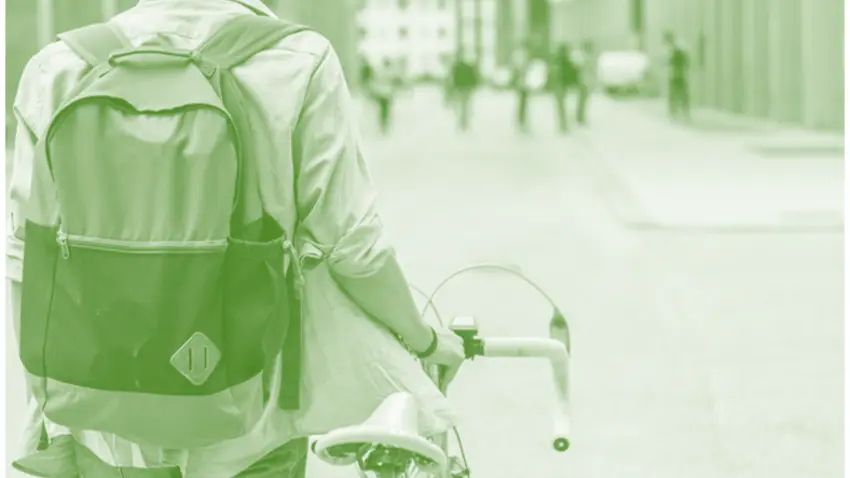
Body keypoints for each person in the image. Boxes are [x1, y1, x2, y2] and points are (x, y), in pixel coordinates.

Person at [6, 0, 465, 476]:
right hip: (250, 427)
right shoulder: (298, 60)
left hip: (101, 425)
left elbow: (24, 257)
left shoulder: (57, 65)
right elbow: (353, 247)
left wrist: (46, 405)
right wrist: (427, 341)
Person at [548, 43, 577, 133]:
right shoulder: (563, 61)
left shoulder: (558, 60)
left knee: (561, 106)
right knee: (561, 106)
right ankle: (563, 125)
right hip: (561, 86)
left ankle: (563, 125)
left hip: (560, 86)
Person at [664, 31, 691, 120]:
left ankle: (679, 112)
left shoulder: (676, 49)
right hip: (676, 75)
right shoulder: (673, 49)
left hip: (678, 75)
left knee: (679, 94)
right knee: (678, 94)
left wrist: (678, 69)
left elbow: (682, 61)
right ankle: (677, 111)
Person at [450, 52, 479, 131]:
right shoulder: (469, 67)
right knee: (466, 106)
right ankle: (465, 122)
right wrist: (473, 86)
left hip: (460, 88)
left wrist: (454, 88)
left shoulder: (457, 66)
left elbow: (454, 78)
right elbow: (474, 78)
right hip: (467, 88)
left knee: (461, 106)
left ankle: (461, 122)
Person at [370, 57, 397, 134]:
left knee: (382, 109)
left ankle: (382, 123)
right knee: (386, 110)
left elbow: (374, 81)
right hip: (387, 93)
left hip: (380, 93)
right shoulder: (389, 72)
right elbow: (392, 83)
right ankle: (384, 123)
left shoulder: (378, 71)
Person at [573, 40, 596, 125]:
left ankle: (580, 117)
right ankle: (580, 118)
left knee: (583, 101)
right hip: (583, 83)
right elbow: (585, 71)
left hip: (584, 82)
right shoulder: (584, 57)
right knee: (582, 101)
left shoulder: (583, 57)